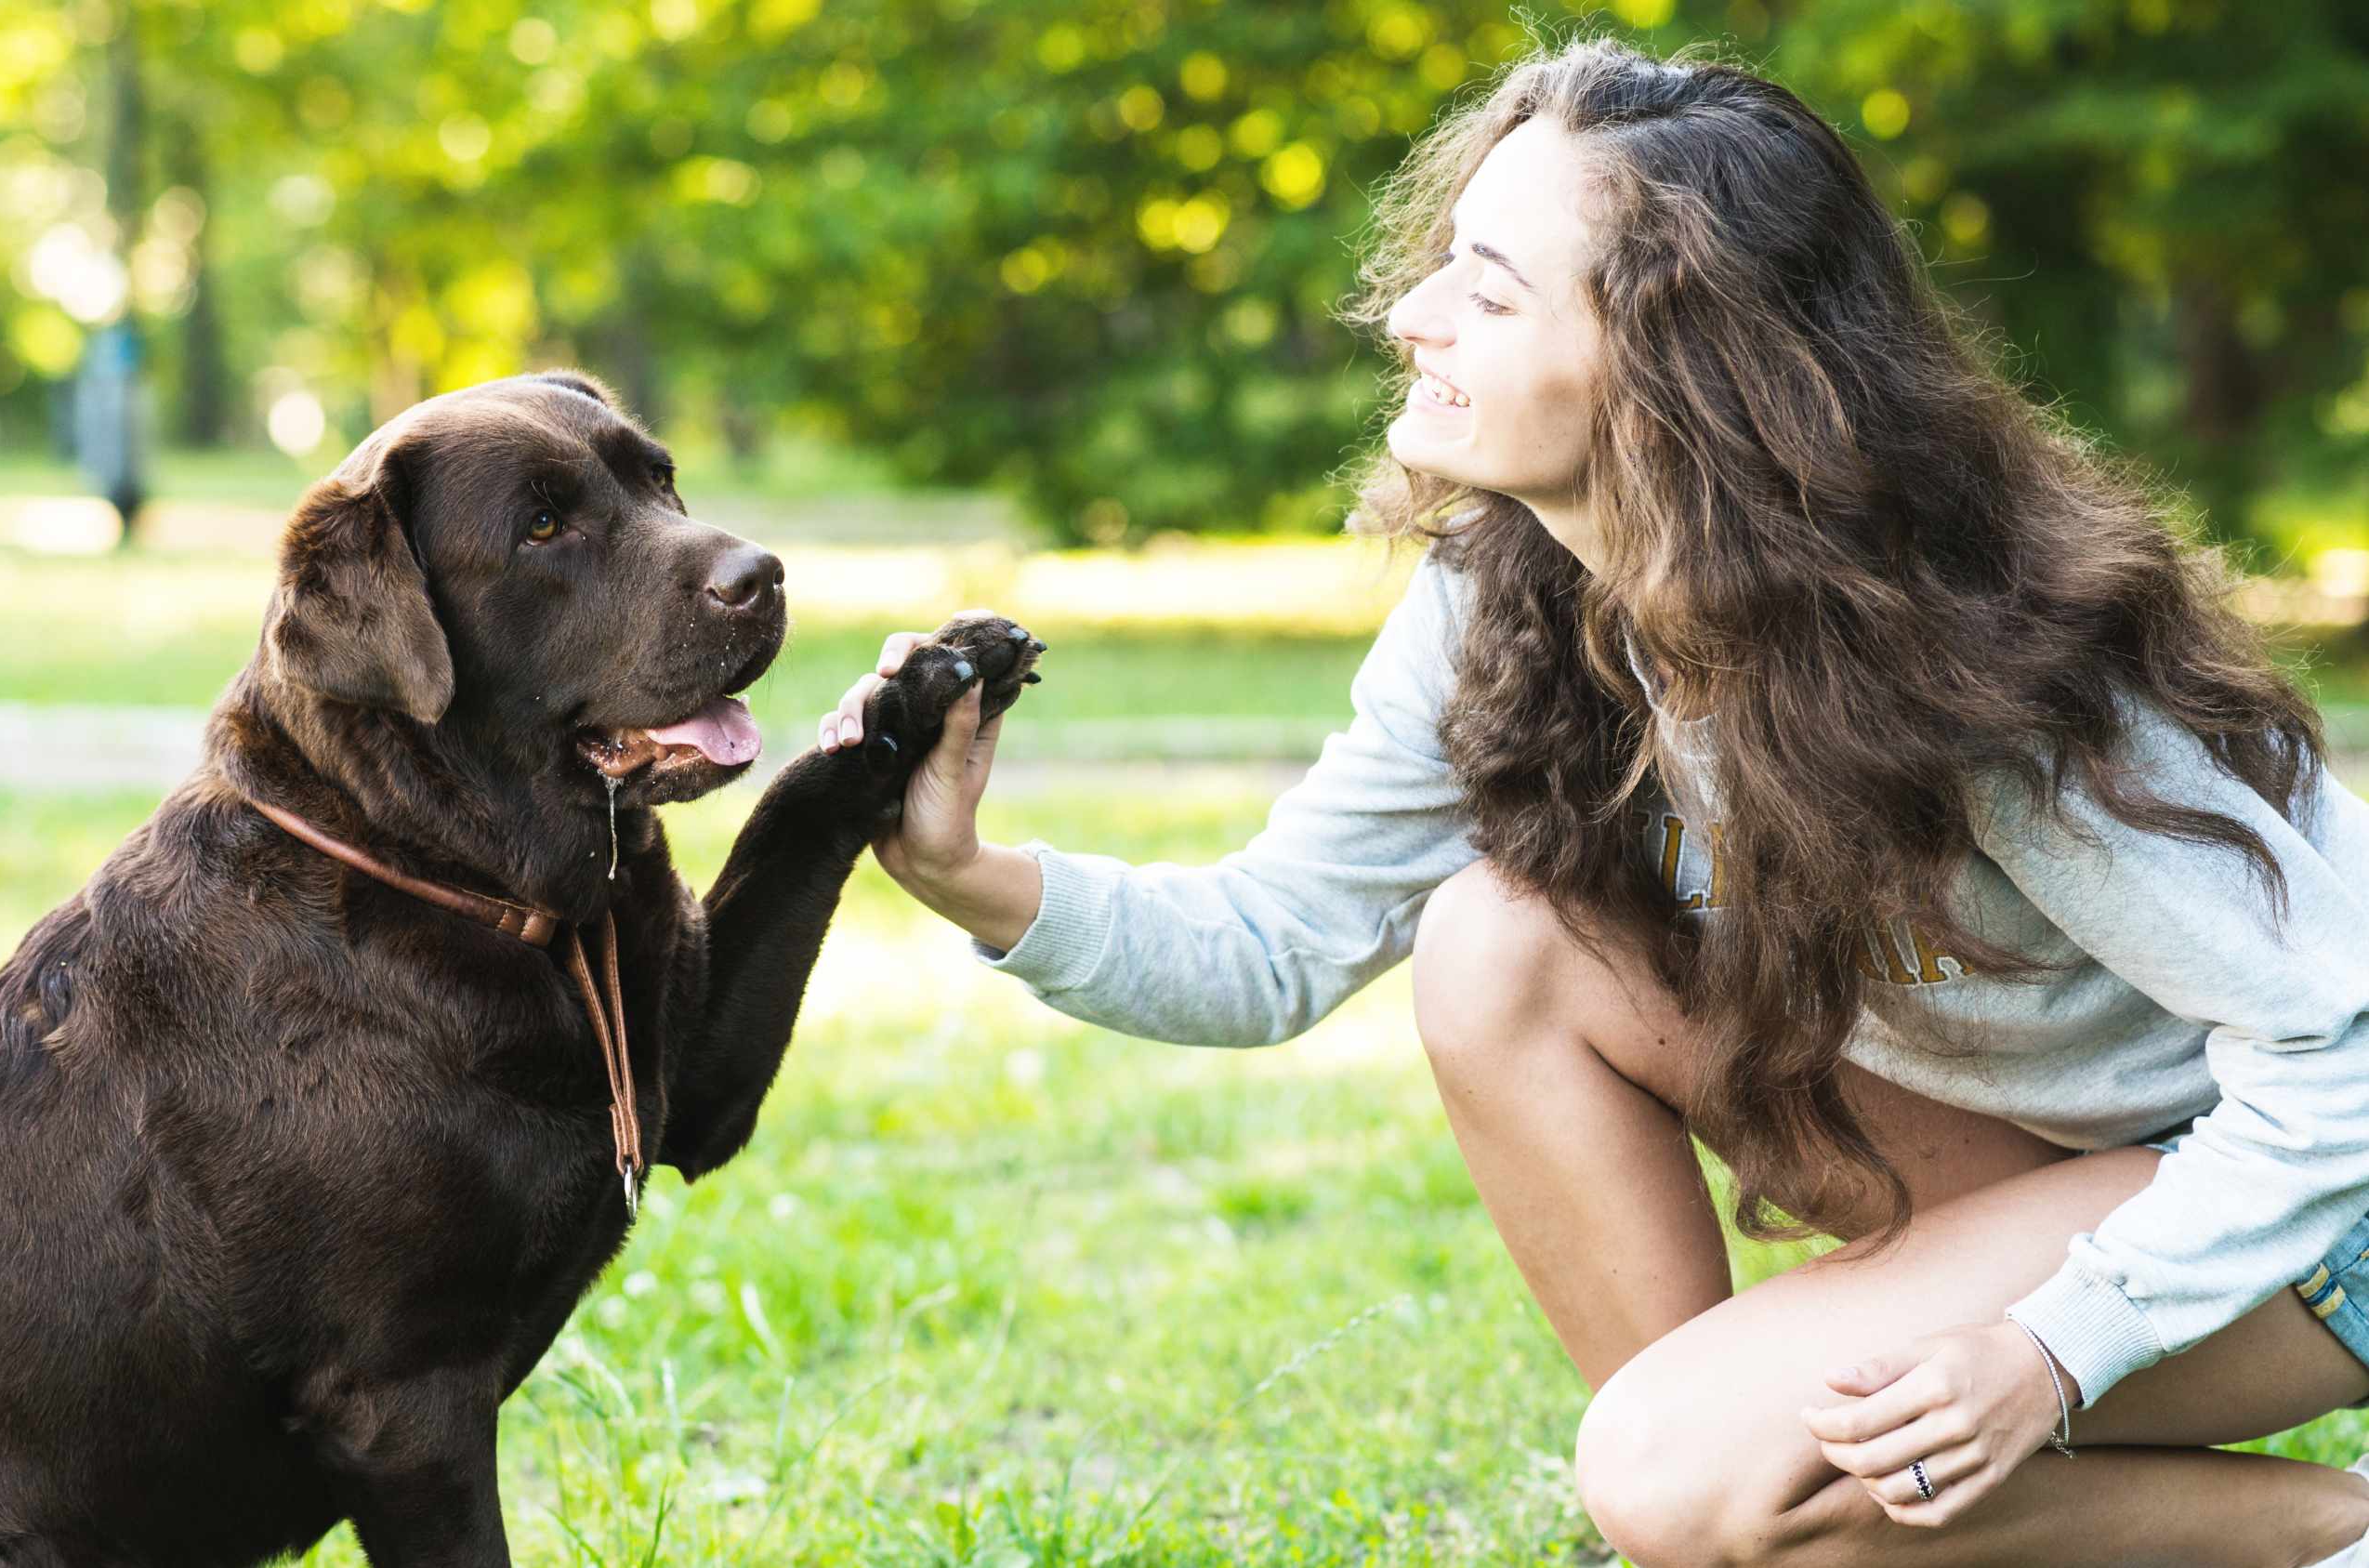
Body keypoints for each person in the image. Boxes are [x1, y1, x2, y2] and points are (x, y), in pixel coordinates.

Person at [816, 35, 2369, 1568]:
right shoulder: (1511, 593)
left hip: (2311, 1201)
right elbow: (1276, 937)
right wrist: (968, 874)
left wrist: (2053, 1346)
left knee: (1675, 1472)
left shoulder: (1965, 656)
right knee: (1499, 942)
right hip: (2049, 1151)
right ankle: (1739, 1519)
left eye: (1488, 293)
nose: (1411, 316)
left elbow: (2336, 1057)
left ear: (1677, 362)